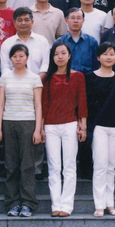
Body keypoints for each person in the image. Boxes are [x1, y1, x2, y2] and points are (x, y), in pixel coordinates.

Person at [0, 44, 43, 218]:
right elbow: (0, 103)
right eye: (15, 56)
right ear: (11, 59)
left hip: (28, 123)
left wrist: (38, 129)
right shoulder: (5, 78)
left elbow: (38, 105)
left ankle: (28, 203)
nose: (18, 59)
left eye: (21, 56)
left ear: (27, 57)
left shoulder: (34, 78)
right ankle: (13, 203)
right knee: (11, 165)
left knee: (27, 165)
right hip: (9, 123)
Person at [41, 42, 87, 217]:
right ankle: (56, 204)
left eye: (63, 53)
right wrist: (41, 127)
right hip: (50, 125)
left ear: (69, 56)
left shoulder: (78, 76)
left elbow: (82, 101)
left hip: (70, 124)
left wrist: (83, 125)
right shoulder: (47, 78)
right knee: (54, 167)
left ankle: (67, 205)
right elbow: (44, 103)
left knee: (69, 166)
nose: (60, 57)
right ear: (52, 57)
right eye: (56, 54)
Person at [85, 43, 115, 217]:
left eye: (112, 54)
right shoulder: (90, 78)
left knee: (111, 167)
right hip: (98, 127)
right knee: (100, 165)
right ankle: (99, 205)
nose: (109, 57)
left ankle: (110, 203)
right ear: (98, 57)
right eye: (105, 54)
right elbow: (86, 104)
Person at [0, 7, 51, 76]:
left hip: (38, 81)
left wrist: (36, 81)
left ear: (32, 22)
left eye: (26, 20)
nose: (23, 23)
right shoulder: (7, 44)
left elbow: (45, 66)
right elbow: (5, 68)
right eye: (20, 20)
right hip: (13, 82)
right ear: (14, 23)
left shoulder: (42, 41)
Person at [55, 8, 99, 74]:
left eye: (79, 18)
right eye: (72, 18)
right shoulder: (59, 42)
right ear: (66, 21)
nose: (75, 21)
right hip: (66, 77)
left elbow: (97, 64)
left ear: (83, 21)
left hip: (88, 78)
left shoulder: (92, 42)